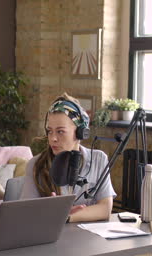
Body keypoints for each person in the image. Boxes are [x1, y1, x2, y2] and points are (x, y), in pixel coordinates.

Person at [20, 93, 116, 223]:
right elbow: (26, 213)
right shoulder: (36, 164)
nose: (53, 138)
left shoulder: (99, 159)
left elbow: (105, 208)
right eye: (49, 131)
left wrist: (65, 216)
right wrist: (51, 212)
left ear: (80, 132)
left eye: (60, 131)